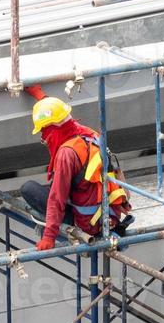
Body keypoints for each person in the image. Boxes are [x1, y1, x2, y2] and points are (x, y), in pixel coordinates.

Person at [20, 96, 133, 252]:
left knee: (29, 189)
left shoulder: (67, 153)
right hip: (109, 215)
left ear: (53, 128)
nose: (43, 138)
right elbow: (57, 114)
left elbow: (57, 197)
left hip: (88, 224)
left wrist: (49, 236)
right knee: (56, 186)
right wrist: (41, 96)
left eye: (44, 131)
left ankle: (63, 228)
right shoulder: (89, 134)